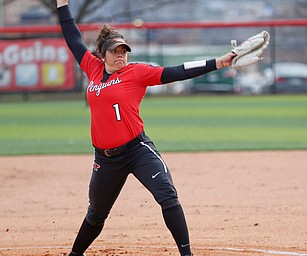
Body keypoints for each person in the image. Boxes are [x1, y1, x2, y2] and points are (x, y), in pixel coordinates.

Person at [56, 1, 236, 255]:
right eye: (114, 51)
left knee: (167, 196)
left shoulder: (136, 72)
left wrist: (218, 62)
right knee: (96, 215)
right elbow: (72, 36)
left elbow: (177, 71)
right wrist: (62, 4)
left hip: (137, 151)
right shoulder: (92, 68)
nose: (120, 55)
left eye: (124, 51)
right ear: (102, 54)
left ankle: (187, 254)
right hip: (105, 159)